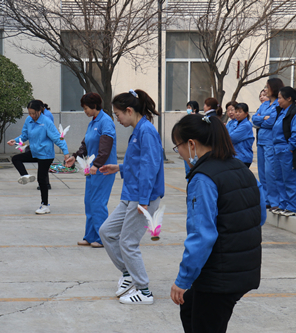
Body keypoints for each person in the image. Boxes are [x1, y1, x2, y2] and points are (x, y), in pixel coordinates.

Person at [170, 114, 266, 333]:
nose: (181, 154)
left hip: (220, 275)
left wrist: (183, 279)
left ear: (191, 144)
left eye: (179, 147)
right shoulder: (241, 168)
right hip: (243, 268)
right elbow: (259, 216)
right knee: (190, 307)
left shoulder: (203, 178)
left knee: (205, 322)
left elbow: (202, 235)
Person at [98, 89, 164, 305]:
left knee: (128, 242)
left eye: (118, 115)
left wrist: (144, 201)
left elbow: (150, 167)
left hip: (141, 197)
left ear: (129, 110)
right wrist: (119, 167)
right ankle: (128, 275)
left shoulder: (146, 131)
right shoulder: (138, 130)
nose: (117, 119)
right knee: (107, 232)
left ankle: (144, 291)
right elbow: (138, 164)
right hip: (131, 194)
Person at [65, 93, 117, 248]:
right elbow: (86, 144)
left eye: (86, 108)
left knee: (98, 203)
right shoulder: (93, 122)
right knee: (89, 202)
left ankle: (102, 238)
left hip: (103, 169)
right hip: (92, 169)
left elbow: (106, 147)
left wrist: (97, 164)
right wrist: (75, 156)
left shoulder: (106, 121)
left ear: (94, 106)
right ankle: (90, 236)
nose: (85, 111)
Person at [7, 100, 69, 215]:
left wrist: (66, 153)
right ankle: (25, 176)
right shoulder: (29, 120)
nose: (31, 116)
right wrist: (15, 141)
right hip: (35, 152)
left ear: (40, 111)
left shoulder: (46, 122)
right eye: (29, 113)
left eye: (33, 113)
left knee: (41, 178)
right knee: (16, 158)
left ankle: (45, 205)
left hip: (46, 154)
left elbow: (57, 138)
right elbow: (24, 135)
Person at [252, 78, 284, 210]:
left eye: (267, 87)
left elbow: (271, 122)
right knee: (262, 172)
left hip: (271, 141)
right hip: (261, 142)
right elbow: (254, 119)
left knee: (270, 172)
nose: (265, 89)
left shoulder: (278, 104)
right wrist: (261, 118)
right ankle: (266, 199)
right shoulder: (265, 104)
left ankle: (275, 201)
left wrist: (261, 120)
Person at [271, 86, 296, 217]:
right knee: (279, 178)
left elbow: (295, 132)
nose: (278, 101)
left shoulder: (293, 112)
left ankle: (292, 206)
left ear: (289, 98)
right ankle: (283, 204)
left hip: (286, 150)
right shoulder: (281, 111)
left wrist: (290, 148)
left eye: (280, 98)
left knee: (289, 178)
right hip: (277, 149)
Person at [228, 103, 254, 168]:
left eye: (240, 112)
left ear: (246, 113)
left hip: (242, 157)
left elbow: (231, 138)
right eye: (236, 112)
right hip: (235, 156)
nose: (237, 114)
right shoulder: (235, 123)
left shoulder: (246, 125)